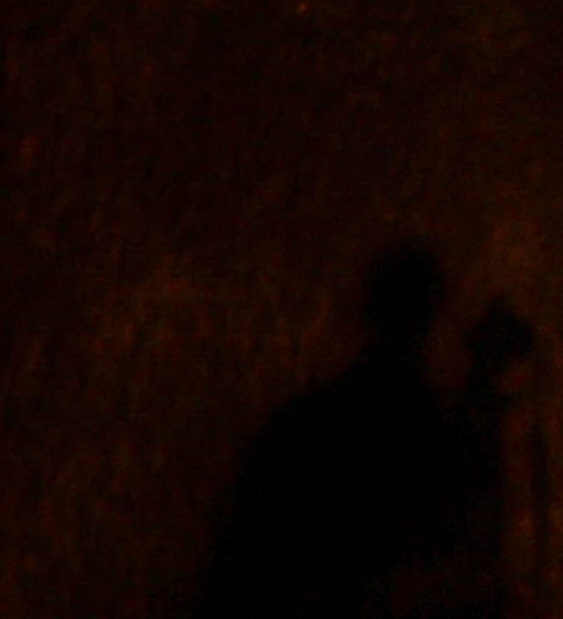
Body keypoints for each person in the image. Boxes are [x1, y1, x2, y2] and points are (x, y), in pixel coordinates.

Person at [194, 239, 532, 617]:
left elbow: (240, 566)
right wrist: (486, 407)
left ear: (366, 313)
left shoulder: (305, 423)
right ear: (437, 319)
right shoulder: (434, 438)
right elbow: (466, 565)